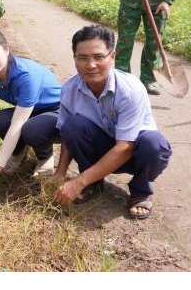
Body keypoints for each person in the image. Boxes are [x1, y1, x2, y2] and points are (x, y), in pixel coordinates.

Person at [54, 25, 172, 219]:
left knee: (155, 144)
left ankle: (141, 190)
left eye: (98, 57)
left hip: (133, 152)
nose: (90, 65)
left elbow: (125, 146)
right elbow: (67, 136)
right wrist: (60, 173)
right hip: (101, 149)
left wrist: (78, 181)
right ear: (74, 58)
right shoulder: (70, 88)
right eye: (82, 58)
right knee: (72, 127)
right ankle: (94, 182)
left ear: (113, 56)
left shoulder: (130, 89)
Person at [0, 27, 62, 200]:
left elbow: (17, 126)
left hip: (56, 110)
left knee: (31, 129)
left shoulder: (26, 75)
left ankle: (45, 156)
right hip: (30, 110)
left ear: (6, 49)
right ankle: (18, 151)